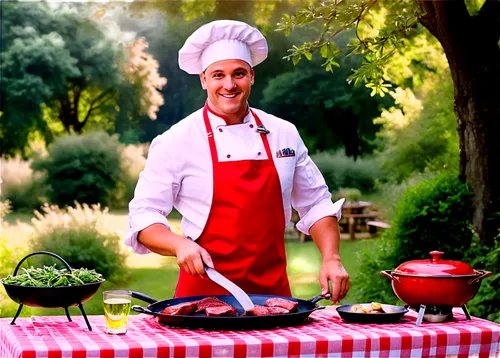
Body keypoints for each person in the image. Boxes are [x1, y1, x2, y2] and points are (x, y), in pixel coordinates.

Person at [125, 20, 350, 303]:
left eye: (239, 74)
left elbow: (316, 203)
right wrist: (178, 244)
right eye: (218, 75)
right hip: (201, 297)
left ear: (252, 76)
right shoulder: (176, 140)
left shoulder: (283, 133)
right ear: (204, 79)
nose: (229, 85)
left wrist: (332, 257)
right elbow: (144, 215)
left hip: (274, 296)